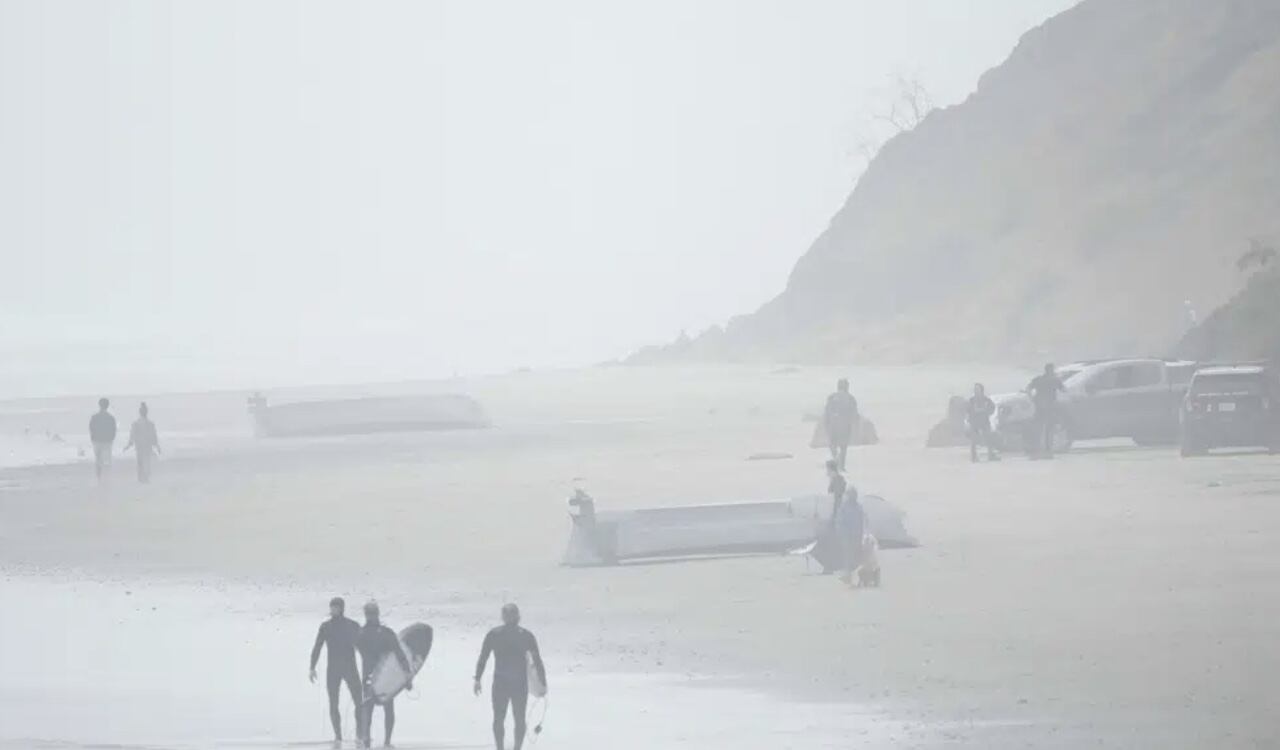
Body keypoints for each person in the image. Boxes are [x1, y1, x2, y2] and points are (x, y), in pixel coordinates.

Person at [474, 603, 547, 750]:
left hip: (501, 682)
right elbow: (537, 661)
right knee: (518, 719)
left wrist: (477, 679)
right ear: (518, 617)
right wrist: (543, 683)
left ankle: (500, 748)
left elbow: (483, 658)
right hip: (518, 684)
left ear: (503, 617)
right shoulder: (526, 635)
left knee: (499, 719)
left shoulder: (494, 634)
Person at [356, 600, 412, 749]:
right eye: (370, 613)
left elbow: (399, 654)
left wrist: (407, 675)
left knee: (374, 708)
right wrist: (407, 675)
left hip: (371, 676)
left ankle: (380, 740)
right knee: (376, 708)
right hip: (381, 676)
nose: (371, 616)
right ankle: (373, 740)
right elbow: (399, 654)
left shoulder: (361, 634)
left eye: (372, 613)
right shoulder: (384, 633)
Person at [311, 597, 363, 747]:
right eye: (332, 607)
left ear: (342, 608)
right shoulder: (325, 627)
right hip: (333, 669)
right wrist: (312, 667)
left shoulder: (353, 626)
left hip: (350, 668)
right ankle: (338, 736)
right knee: (333, 703)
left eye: (336, 607)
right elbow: (317, 647)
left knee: (359, 702)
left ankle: (359, 734)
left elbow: (363, 647)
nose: (333, 609)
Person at [1027, 364, 1066, 458]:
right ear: (1051, 370)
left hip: (1039, 406)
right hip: (1050, 407)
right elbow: (1064, 390)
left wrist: (1031, 397)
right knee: (1049, 429)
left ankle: (1035, 451)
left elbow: (1028, 388)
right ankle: (1048, 451)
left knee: (1038, 429)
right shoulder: (1055, 380)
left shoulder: (1038, 379)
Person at [823, 379, 859, 471]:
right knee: (843, 448)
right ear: (847, 387)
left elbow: (827, 412)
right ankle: (841, 466)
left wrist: (827, 424)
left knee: (832, 445)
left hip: (833, 426)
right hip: (845, 426)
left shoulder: (832, 397)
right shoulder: (851, 398)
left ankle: (836, 459)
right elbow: (854, 414)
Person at [836, 484, 866, 587]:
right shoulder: (844, 507)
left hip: (856, 537)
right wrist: (842, 534)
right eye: (850, 494)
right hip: (848, 537)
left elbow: (862, 522)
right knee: (849, 559)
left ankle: (855, 579)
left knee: (855, 559)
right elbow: (840, 522)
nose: (851, 496)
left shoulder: (857, 507)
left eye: (853, 494)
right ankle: (849, 578)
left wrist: (862, 535)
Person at [123, 402, 161, 483]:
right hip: (147, 445)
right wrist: (157, 446)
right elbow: (154, 437)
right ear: (146, 413)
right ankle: (145, 477)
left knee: (140, 462)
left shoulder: (136, 423)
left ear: (140, 413)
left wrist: (128, 445)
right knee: (147, 462)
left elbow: (132, 436)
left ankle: (141, 478)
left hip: (139, 446)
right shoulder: (150, 424)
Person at [967, 383, 999, 462]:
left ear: (982, 390)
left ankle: (991, 455)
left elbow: (992, 408)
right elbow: (967, 409)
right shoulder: (971, 400)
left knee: (989, 438)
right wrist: (972, 414)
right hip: (974, 422)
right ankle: (974, 457)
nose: (976, 391)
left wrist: (987, 412)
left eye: (977, 389)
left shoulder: (986, 400)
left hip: (984, 421)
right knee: (974, 440)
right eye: (975, 389)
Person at [88, 398, 117, 480]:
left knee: (98, 460)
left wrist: (93, 438)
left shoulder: (94, 417)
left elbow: (91, 428)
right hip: (107, 441)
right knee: (107, 461)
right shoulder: (111, 418)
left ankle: (99, 477)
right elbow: (113, 430)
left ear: (99, 405)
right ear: (107, 406)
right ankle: (106, 477)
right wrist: (111, 438)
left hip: (97, 441)